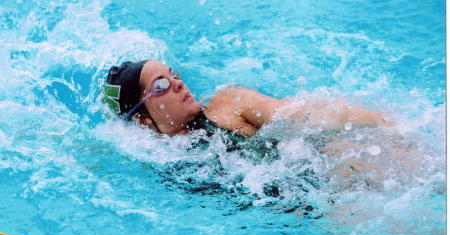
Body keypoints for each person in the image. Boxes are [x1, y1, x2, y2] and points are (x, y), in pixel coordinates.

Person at [102, 60, 393, 137]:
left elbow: (303, 115)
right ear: (142, 120)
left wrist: (379, 122)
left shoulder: (228, 104)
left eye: (173, 74)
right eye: (161, 85)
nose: (177, 83)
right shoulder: (154, 158)